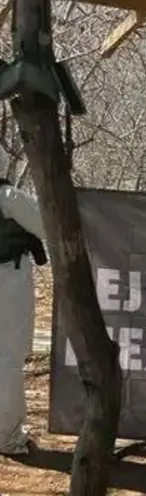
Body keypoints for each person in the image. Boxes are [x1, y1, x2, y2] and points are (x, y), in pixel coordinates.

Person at [0, 178, 47, 456]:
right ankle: (7, 436)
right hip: (8, 280)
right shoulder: (9, 197)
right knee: (8, 359)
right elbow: (49, 223)